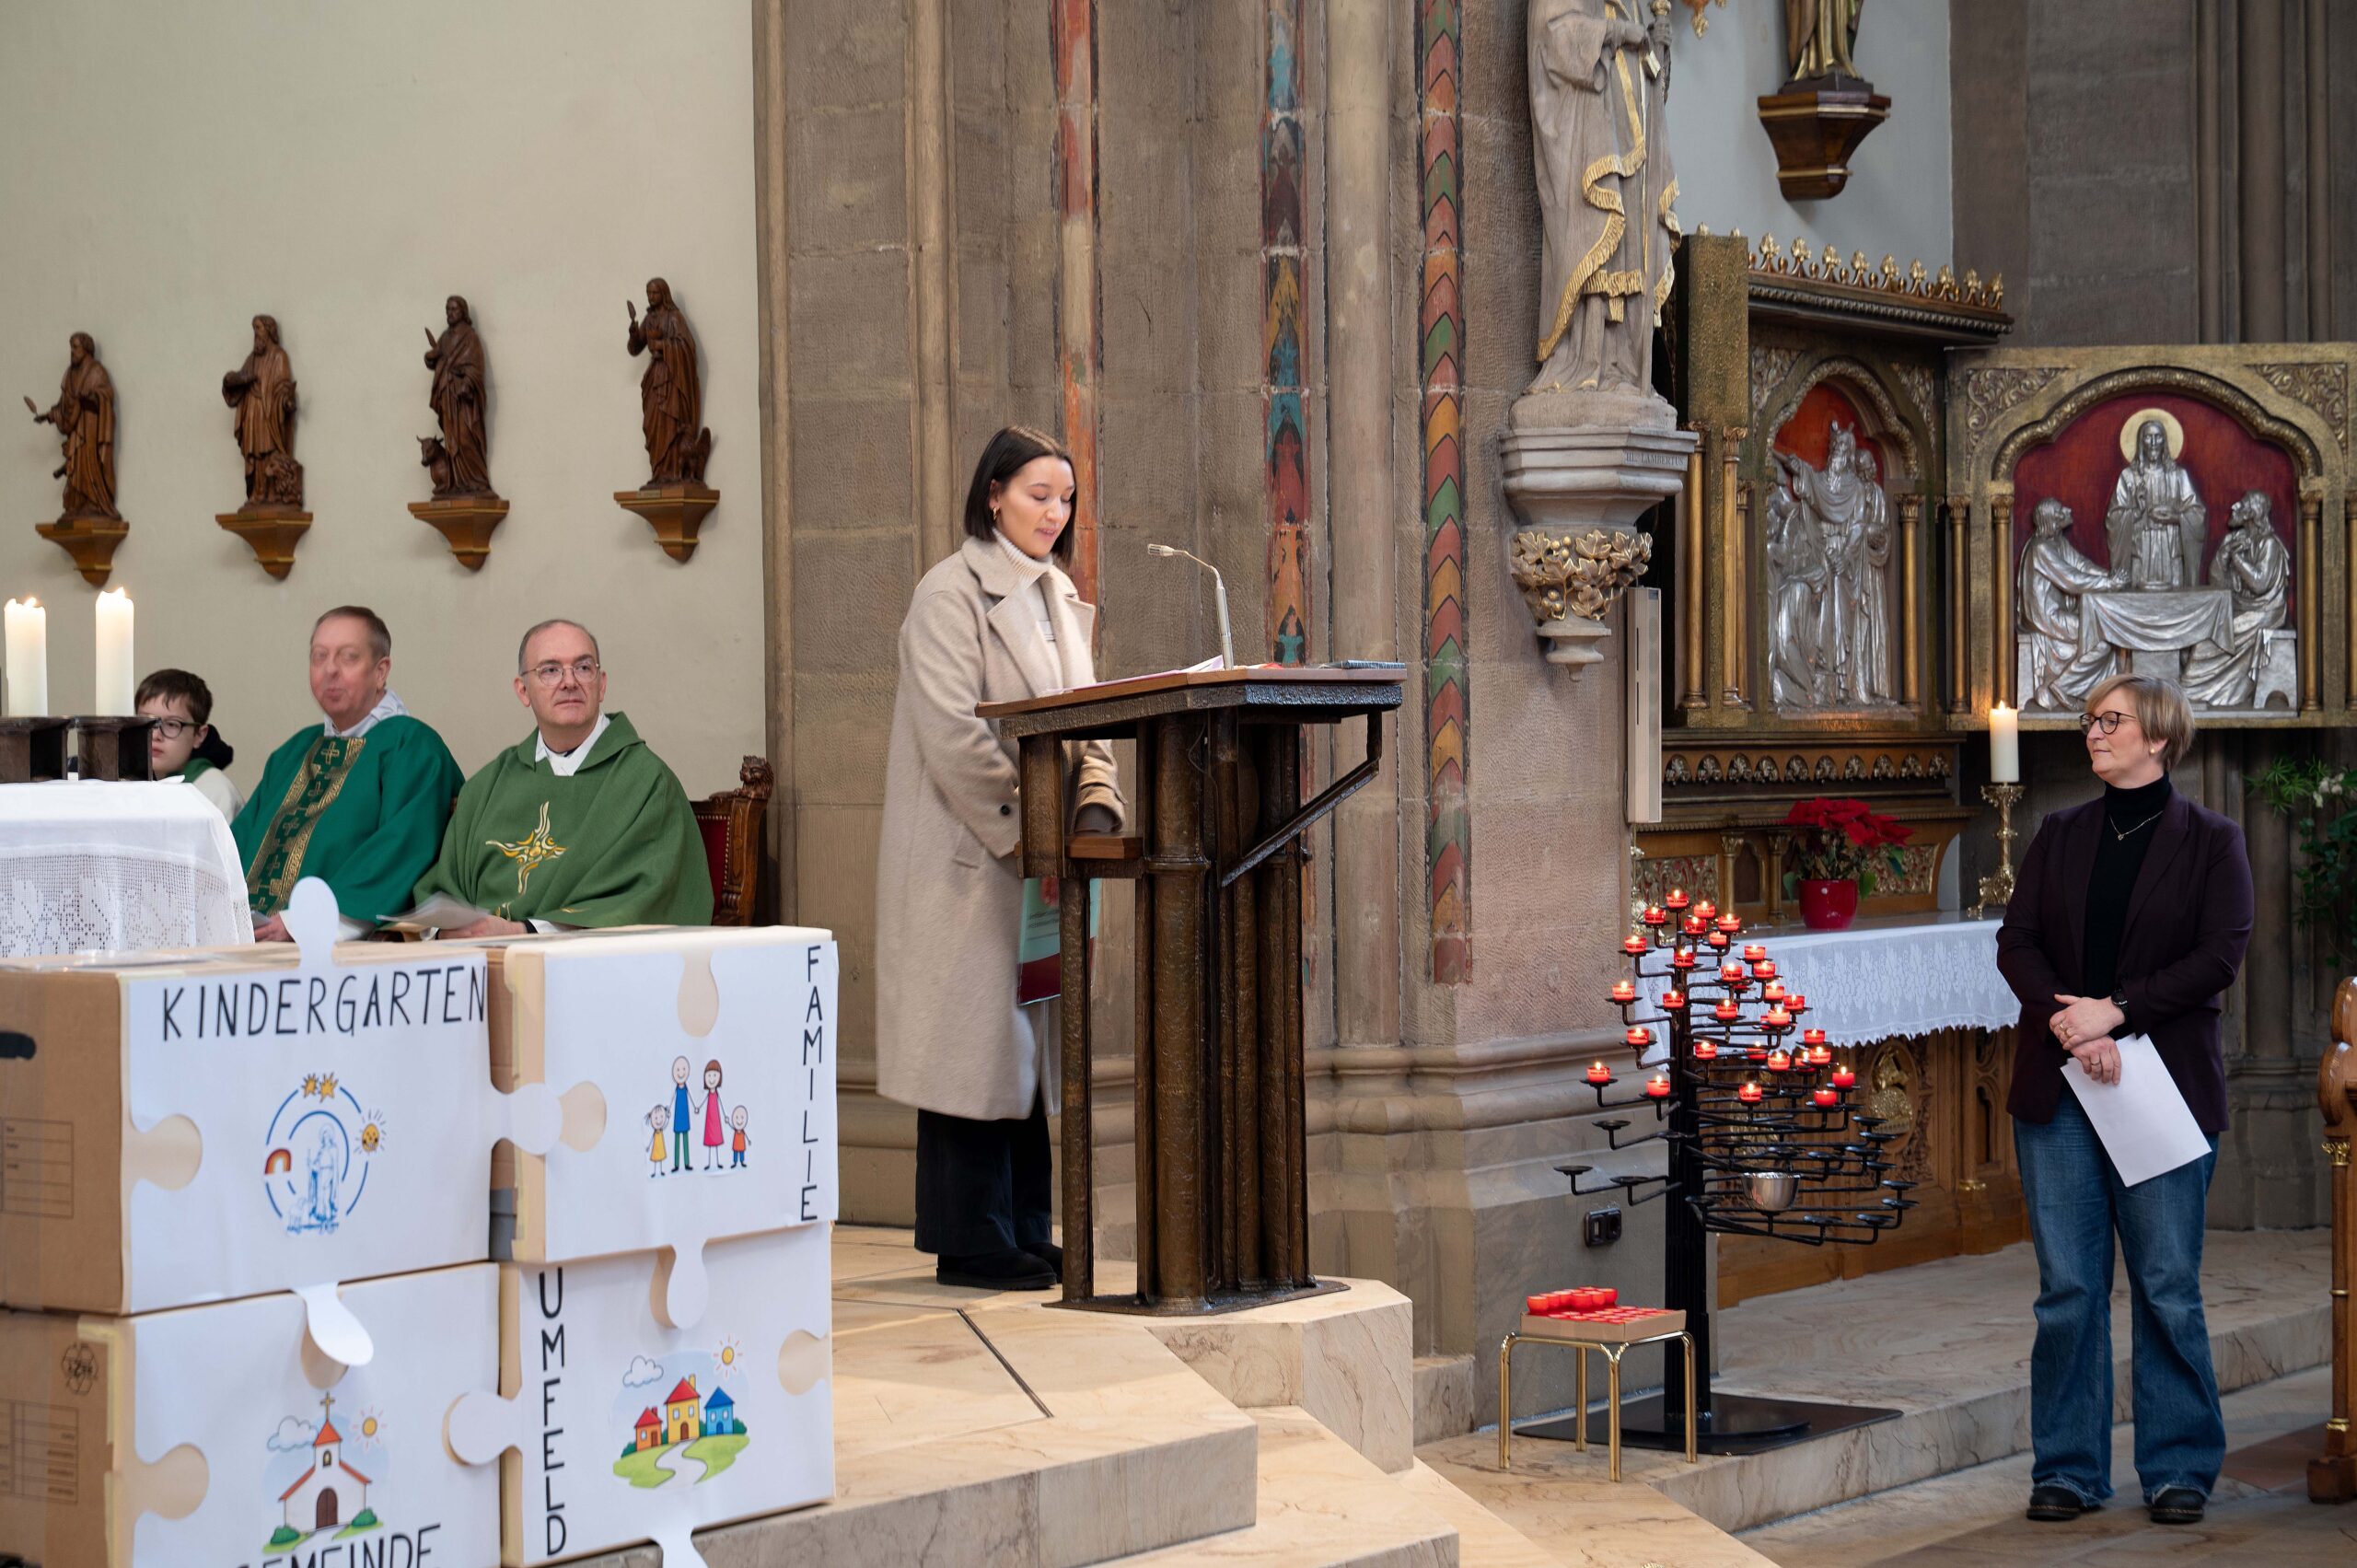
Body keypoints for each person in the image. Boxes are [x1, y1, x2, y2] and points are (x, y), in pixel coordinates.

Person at [1995, 674, 2252, 1528]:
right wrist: (2077, 1024)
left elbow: (2219, 955)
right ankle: (2068, 1469)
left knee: (2167, 1282)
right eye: (2090, 720)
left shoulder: (2213, 840)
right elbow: (2016, 942)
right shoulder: (2060, 833)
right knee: (2068, 1285)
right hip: (2064, 1082)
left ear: (2160, 738)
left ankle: (2179, 1463)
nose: (2094, 733)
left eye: (2112, 721)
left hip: (2162, 1088)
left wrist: (2121, 1009)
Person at [875, 426, 1125, 1290]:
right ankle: (968, 1237)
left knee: (1024, 1044)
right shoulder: (948, 593)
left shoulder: (1057, 594)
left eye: (1064, 499)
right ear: (993, 495)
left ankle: (1021, 1221)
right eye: (1036, 495)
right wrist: (1032, 835)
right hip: (973, 857)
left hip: (1041, 853)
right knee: (970, 1049)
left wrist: (1097, 799)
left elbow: (1089, 716)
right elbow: (954, 735)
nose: (1054, 513)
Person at [412, 619, 711, 936]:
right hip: (477, 967)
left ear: (602, 684)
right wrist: (448, 932)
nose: (569, 682)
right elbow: (443, 891)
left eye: (583, 668)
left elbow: (649, 897)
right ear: (523, 691)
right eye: (550, 670)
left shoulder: (646, 782)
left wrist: (525, 931)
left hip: (588, 971)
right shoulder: (487, 786)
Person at [233, 607, 463, 940]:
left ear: (381, 670)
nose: (330, 671)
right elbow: (238, 842)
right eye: (319, 657)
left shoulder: (411, 746)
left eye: (348, 658)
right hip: (251, 936)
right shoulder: (293, 752)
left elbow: (402, 849)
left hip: (337, 948)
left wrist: (301, 922)